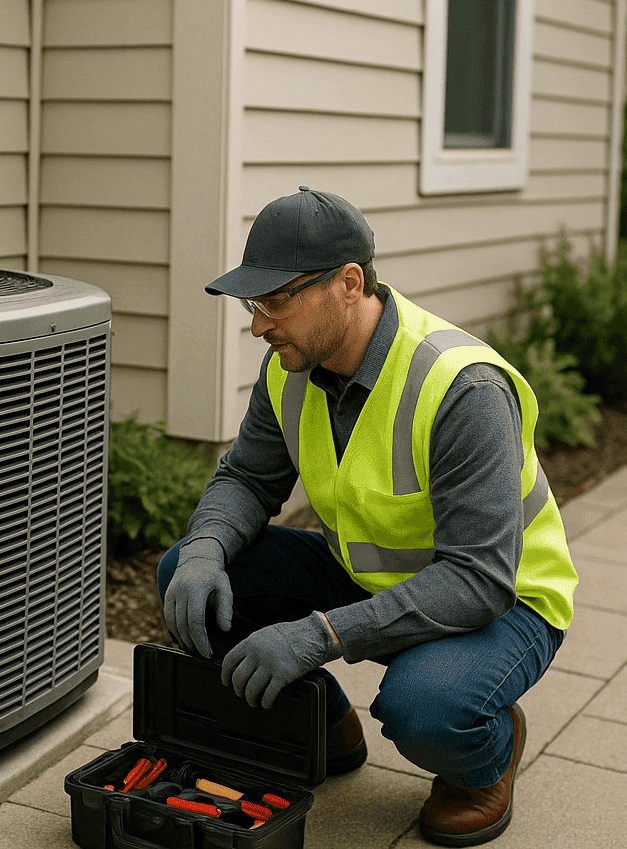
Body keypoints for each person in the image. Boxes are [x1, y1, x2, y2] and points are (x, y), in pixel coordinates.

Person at [157, 187, 577, 847]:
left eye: (276, 300)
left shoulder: (461, 388)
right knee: (187, 573)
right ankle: (321, 721)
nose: (259, 325)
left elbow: (478, 578)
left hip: (502, 599)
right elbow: (246, 478)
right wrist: (206, 547)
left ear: (349, 284)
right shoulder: (287, 368)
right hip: (366, 570)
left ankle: (485, 756)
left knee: (426, 709)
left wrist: (317, 636)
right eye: (252, 304)